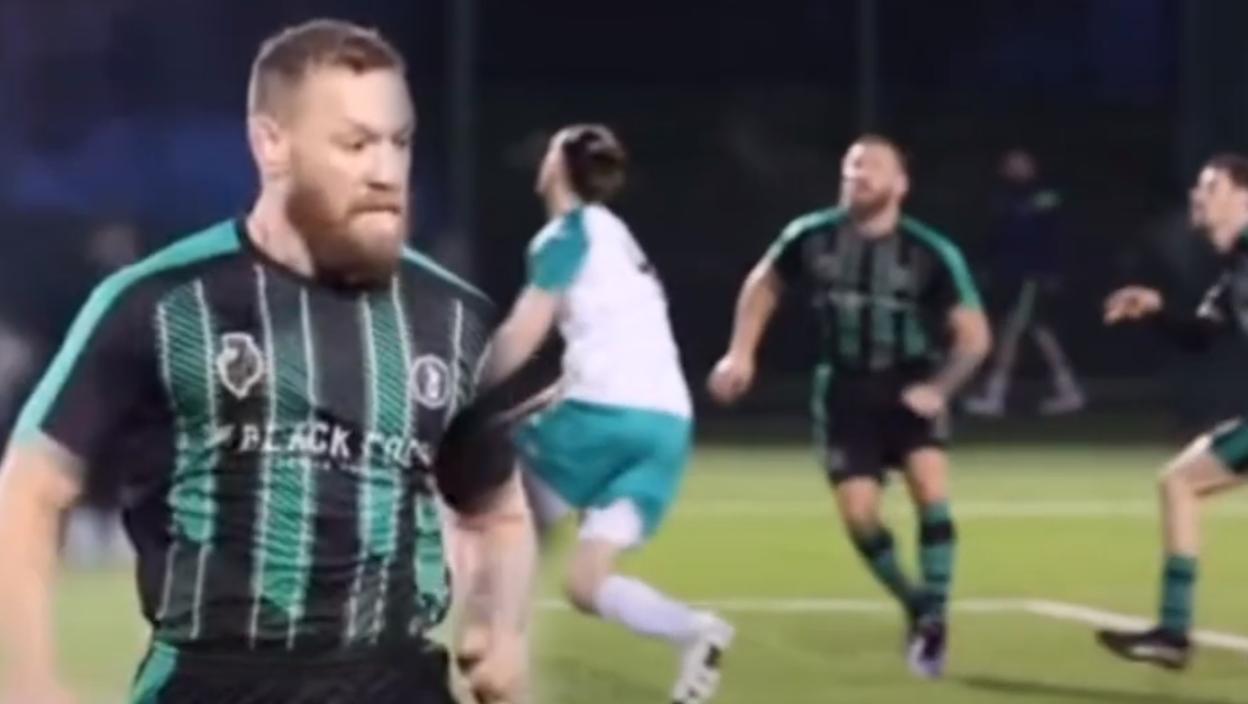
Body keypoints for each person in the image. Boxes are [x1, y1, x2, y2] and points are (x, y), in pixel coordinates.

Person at [0, 19, 533, 704]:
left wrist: (501, 627)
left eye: (398, 142)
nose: (385, 170)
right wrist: (28, 677)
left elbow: (497, 512)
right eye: (355, 144)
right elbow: (33, 486)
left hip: (399, 682)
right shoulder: (157, 302)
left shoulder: (454, 319)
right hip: (209, 684)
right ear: (271, 144)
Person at [708, 134, 990, 679]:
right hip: (844, 391)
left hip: (910, 383)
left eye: (873, 166)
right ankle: (917, 604)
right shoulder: (811, 236)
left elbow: (974, 337)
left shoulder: (929, 251)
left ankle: (936, 618)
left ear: (900, 184)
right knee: (859, 516)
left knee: (930, 489)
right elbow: (763, 284)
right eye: (852, 164)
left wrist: (940, 388)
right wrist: (740, 352)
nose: (858, 174)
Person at [485, 124, 733, 704]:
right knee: (585, 582)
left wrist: (463, 394)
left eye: (549, 154)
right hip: (665, 428)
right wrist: (519, 413)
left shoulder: (565, 234)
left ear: (558, 169)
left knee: (487, 508)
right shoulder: (617, 237)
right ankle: (696, 632)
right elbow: (597, 361)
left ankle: (483, 663)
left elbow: (523, 331)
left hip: (604, 417)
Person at [1096, 153, 1248, 670]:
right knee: (1180, 482)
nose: (1197, 197)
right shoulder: (1234, 272)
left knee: (1180, 482)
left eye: (1211, 187)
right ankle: (1172, 633)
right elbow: (1200, 336)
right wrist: (1157, 311)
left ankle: (1173, 634)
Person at [964, 148, 1085, 416]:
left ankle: (995, 395)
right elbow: (997, 238)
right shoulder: (1001, 198)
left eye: (1020, 162)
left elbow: (1054, 237)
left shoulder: (1044, 198)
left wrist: (1052, 270)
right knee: (1040, 333)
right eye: (1010, 163)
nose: (1014, 167)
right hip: (1014, 275)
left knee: (1012, 331)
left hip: (1031, 276)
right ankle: (1069, 391)